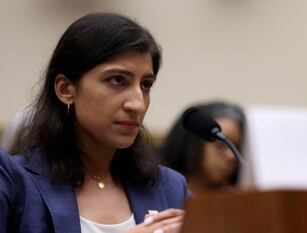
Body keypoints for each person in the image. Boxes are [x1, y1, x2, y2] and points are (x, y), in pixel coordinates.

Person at [0, 12, 190, 233]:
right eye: (118, 80)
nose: (137, 104)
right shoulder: (14, 181)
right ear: (65, 89)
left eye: (146, 85)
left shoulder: (170, 186)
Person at [158, 101, 246, 196]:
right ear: (192, 143)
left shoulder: (235, 196)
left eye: (236, 146)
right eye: (220, 145)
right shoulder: (162, 193)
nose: (231, 156)